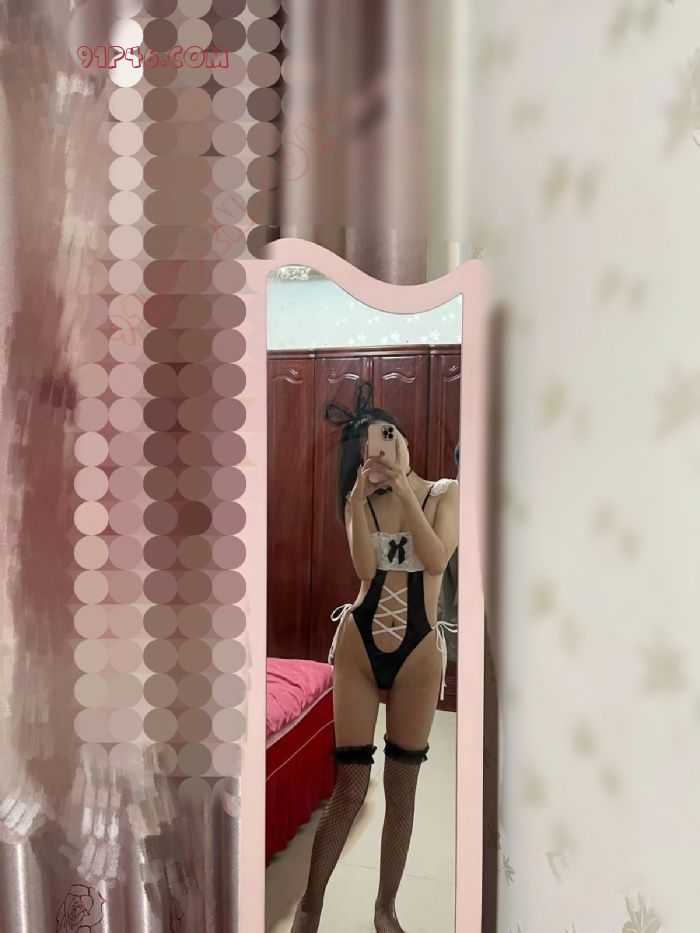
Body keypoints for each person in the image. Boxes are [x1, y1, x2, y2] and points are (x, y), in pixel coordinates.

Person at [291, 382, 459, 933]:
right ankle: (310, 907)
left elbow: (436, 558)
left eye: (390, 436)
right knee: (350, 787)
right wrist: (357, 502)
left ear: (404, 438)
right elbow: (366, 571)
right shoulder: (357, 500)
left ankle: (385, 911)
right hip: (360, 645)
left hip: (419, 651)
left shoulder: (445, 493)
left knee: (401, 790)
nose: (383, 449)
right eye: (371, 444)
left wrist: (405, 489)